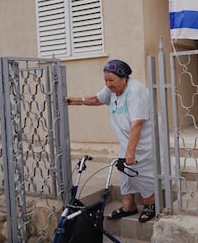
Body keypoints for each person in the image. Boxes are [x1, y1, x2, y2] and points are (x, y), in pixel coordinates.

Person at [66, 59, 155, 223]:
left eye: (111, 80)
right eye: (105, 80)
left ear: (124, 78)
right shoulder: (113, 89)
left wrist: (131, 151)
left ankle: (150, 204)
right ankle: (129, 207)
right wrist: (75, 101)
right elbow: (97, 99)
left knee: (141, 173)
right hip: (126, 141)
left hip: (143, 141)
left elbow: (137, 124)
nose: (108, 84)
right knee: (124, 173)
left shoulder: (136, 92)